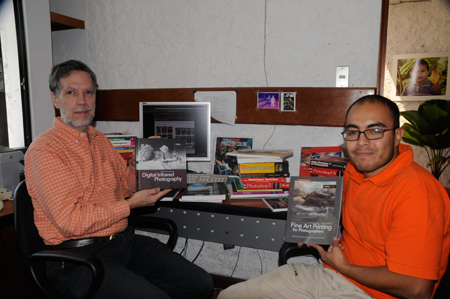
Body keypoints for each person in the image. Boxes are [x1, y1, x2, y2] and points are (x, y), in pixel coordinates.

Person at [218, 95, 450, 299]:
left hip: (372, 293)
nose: (361, 142)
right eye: (352, 132)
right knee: (228, 295)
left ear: (398, 136)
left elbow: (417, 288)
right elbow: (349, 212)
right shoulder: (355, 168)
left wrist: (344, 267)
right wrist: (311, 225)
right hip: (332, 277)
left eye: (375, 130)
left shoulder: (418, 193)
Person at [24, 60, 213, 299]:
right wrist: (130, 205)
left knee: (200, 283)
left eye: (89, 92)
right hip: (77, 258)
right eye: (71, 92)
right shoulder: (46, 151)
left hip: (122, 243)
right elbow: (69, 221)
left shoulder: (99, 139)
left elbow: (125, 184)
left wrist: (144, 162)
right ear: (55, 99)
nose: (82, 101)